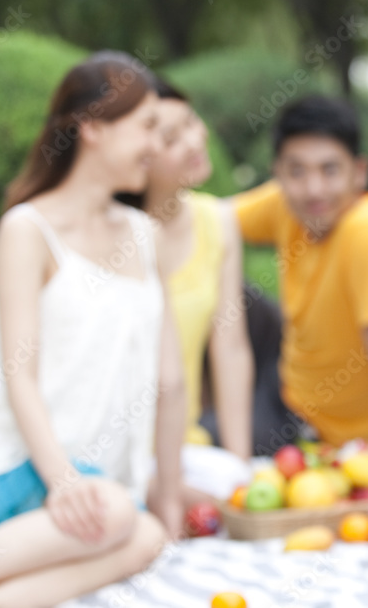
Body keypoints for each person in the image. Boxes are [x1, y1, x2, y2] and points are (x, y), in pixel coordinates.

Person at [0, 52, 184, 608]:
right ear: (92, 127)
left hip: (88, 499)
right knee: (118, 511)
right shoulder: (28, 230)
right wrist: (64, 478)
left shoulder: (146, 236)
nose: (156, 146)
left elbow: (170, 381)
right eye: (147, 127)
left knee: (146, 533)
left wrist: (166, 494)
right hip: (7, 474)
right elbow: (16, 375)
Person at [230, 95, 368, 448]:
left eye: (329, 170)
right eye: (296, 171)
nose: (313, 189)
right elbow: (208, 221)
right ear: (278, 173)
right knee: (233, 293)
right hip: (284, 385)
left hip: (337, 437)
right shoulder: (285, 205)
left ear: (359, 172)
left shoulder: (366, 230)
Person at [119, 78, 255, 505]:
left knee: (232, 486)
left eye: (193, 122)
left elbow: (230, 348)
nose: (198, 140)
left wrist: (241, 469)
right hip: (113, 450)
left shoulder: (218, 221)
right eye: (172, 137)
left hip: (182, 448)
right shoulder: (113, 235)